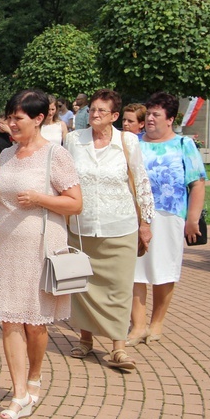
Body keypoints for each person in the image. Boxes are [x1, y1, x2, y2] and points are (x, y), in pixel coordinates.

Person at [0, 89, 81, 419]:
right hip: (5, 243)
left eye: (18, 118)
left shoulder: (56, 155)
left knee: (34, 324)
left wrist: (41, 198)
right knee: (9, 318)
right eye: (9, 117)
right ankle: (19, 394)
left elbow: (75, 203)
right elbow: (1, 198)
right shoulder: (7, 154)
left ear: (39, 118)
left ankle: (34, 377)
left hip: (39, 245)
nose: (11, 124)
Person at [63, 89, 155, 369]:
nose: (94, 114)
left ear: (115, 116)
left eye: (102, 111)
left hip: (120, 225)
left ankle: (118, 347)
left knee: (119, 288)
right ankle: (85, 339)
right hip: (81, 225)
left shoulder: (127, 141)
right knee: (82, 285)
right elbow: (64, 181)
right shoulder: (73, 140)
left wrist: (146, 223)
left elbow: (141, 183)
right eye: (92, 109)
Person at [128, 92, 206, 346]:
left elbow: (197, 183)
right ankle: (137, 325)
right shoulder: (132, 142)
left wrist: (193, 218)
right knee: (135, 271)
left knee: (163, 269)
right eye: (148, 113)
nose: (149, 119)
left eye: (155, 114)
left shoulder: (183, 145)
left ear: (170, 119)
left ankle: (157, 322)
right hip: (136, 215)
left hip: (169, 215)